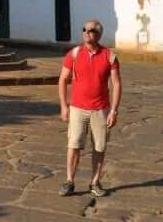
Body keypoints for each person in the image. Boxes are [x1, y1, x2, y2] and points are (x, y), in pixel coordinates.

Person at [57, 19, 121, 197]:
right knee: (73, 145)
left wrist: (114, 110)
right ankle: (69, 181)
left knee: (99, 147)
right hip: (77, 109)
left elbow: (116, 84)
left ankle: (95, 182)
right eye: (84, 29)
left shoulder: (109, 56)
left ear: (99, 34)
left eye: (91, 30)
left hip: (101, 109)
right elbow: (62, 79)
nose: (86, 32)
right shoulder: (74, 54)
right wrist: (64, 106)